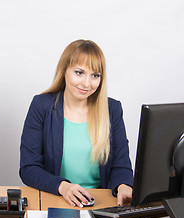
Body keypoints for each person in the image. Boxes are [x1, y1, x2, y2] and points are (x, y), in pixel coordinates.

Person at [19, 39, 133, 207]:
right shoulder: (41, 106)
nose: (87, 83)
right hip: (56, 197)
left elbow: (121, 165)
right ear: (64, 70)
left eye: (95, 75)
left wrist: (124, 187)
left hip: (99, 202)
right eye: (79, 72)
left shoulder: (112, 109)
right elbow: (29, 167)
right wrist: (63, 187)